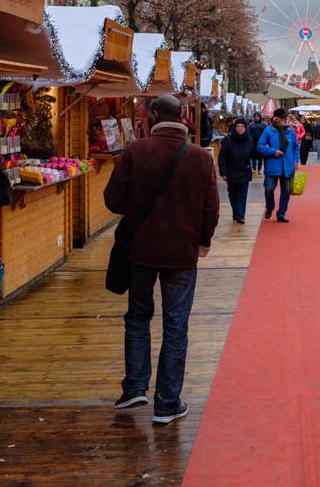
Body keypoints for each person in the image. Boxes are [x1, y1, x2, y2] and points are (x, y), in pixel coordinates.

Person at [104, 94, 220, 425]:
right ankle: (167, 402)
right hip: (182, 254)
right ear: (182, 116)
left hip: (141, 251)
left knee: (138, 316)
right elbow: (211, 207)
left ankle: (135, 387)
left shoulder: (135, 152)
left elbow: (114, 200)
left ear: (153, 115)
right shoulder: (199, 156)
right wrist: (203, 241)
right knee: (176, 324)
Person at [258, 108, 299, 222]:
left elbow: (296, 147)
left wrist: (295, 160)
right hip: (272, 165)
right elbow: (260, 146)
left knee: (286, 191)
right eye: (283, 118)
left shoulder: (290, 131)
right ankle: (270, 207)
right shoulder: (268, 130)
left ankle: (281, 213)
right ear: (276, 119)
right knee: (269, 189)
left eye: (286, 118)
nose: (286, 120)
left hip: (288, 166)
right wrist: (272, 152)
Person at [218, 117, 254, 224]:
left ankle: (240, 216)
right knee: (233, 194)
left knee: (242, 195)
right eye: (238, 126)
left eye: (242, 126)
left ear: (245, 128)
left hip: (245, 170)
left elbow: (253, 153)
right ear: (234, 127)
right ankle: (236, 212)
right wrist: (223, 172)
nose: (240, 128)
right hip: (231, 171)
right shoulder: (228, 140)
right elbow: (222, 156)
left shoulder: (249, 140)